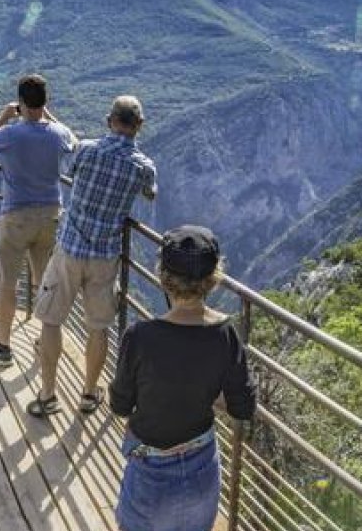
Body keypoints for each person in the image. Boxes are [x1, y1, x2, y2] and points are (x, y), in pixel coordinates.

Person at [109, 225, 255, 531]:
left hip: (151, 470)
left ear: (163, 277)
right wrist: (206, 392)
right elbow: (243, 407)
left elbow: (120, 405)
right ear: (213, 278)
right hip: (202, 466)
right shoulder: (226, 334)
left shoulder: (139, 337)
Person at [28, 95, 156, 416]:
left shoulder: (87, 149)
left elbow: (70, 163)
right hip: (105, 257)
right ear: (138, 126)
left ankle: (47, 395)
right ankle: (88, 395)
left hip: (69, 249)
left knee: (52, 320)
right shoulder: (143, 167)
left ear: (109, 120)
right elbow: (151, 192)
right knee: (98, 327)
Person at [0, 74, 76, 367]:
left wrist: (2, 117)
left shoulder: (9, 133)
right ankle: (46, 339)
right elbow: (74, 141)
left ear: (20, 102)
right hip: (51, 215)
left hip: (16, 215)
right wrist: (49, 115)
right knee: (45, 282)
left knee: (8, 284)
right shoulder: (57, 133)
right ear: (45, 102)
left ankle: (3, 347)